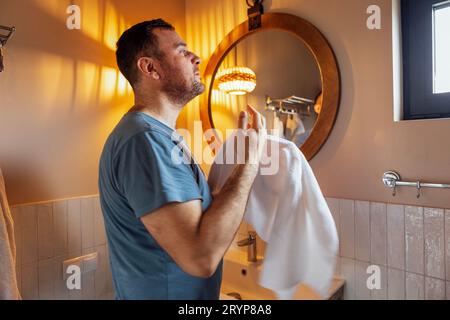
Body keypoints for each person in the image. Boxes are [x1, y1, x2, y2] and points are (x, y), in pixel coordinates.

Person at [98, 19, 266, 300]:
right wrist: (251, 162)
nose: (196, 57)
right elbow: (201, 259)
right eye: (181, 51)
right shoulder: (145, 142)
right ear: (150, 68)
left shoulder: (158, 137)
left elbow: (196, 222)